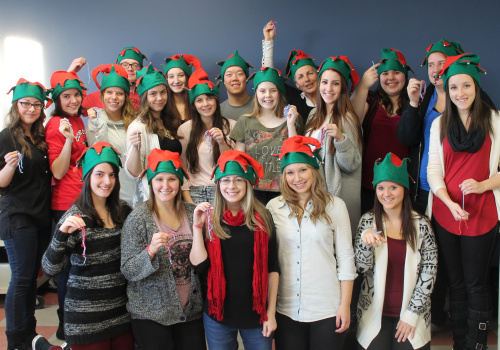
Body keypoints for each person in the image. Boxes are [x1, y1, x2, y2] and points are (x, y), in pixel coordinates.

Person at [427, 53, 500, 350]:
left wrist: (483, 185)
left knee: (476, 282)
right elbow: (434, 172)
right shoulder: (439, 124)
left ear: (476, 86)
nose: (460, 93)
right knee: (455, 283)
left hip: (482, 214)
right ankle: (460, 342)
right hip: (448, 214)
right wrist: (447, 201)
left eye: (466, 86)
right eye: (453, 87)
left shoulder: (494, 121)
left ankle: (477, 344)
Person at [267, 136, 356, 350]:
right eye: (290, 172)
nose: (296, 178)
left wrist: (345, 305)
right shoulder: (272, 207)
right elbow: (269, 261)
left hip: (327, 307)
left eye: (303, 170)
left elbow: (345, 258)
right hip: (286, 307)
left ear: (314, 170)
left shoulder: (336, 206)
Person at [42, 142, 134, 350]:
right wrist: (60, 233)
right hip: (86, 318)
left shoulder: (124, 211)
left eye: (112, 175)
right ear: (87, 177)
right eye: (99, 174)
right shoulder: (74, 217)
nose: (107, 181)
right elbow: (50, 269)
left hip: (122, 313)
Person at [190, 150, 279, 350]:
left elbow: (272, 268)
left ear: (248, 183)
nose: (231, 186)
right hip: (218, 315)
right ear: (218, 184)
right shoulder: (210, 218)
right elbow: (199, 266)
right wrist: (197, 226)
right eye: (226, 180)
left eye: (238, 180)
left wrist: (271, 313)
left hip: (257, 315)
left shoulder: (263, 217)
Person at [121, 149, 206, 350]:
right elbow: (128, 270)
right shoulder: (138, 218)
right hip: (152, 316)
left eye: (172, 179)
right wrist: (149, 251)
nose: (166, 186)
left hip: (190, 312)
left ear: (180, 181)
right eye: (159, 179)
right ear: (151, 182)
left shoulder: (193, 213)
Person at [355, 152, 437, 350]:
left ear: (404, 189)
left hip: (412, 313)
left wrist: (411, 315)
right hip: (374, 312)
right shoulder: (368, 221)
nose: (387, 193)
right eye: (381, 188)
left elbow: (429, 271)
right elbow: (361, 268)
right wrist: (366, 244)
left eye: (393, 187)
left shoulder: (422, 224)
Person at [0, 79, 56, 350]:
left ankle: (29, 333)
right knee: (21, 279)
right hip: (17, 216)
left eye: (36, 104)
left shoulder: (40, 136)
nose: (31, 109)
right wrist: (9, 166)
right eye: (25, 104)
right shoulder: (7, 136)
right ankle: (15, 339)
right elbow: (1, 182)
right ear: (16, 105)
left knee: (31, 277)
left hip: (40, 216)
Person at [45, 70, 88, 340]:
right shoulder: (56, 125)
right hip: (66, 203)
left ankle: (76, 322)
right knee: (69, 269)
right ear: (57, 100)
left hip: (83, 199)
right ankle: (64, 325)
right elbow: (58, 171)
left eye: (76, 95)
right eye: (66, 96)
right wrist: (69, 139)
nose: (72, 100)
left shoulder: (79, 119)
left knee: (80, 265)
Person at [304, 55, 363, 234]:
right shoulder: (313, 115)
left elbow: (351, 165)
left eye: (335, 83)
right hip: (313, 196)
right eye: (324, 82)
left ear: (343, 87)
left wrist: (340, 139)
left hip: (337, 199)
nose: (328, 88)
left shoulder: (347, 119)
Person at [351, 48, 412, 213]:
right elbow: (352, 121)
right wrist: (363, 85)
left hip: (402, 185)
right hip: (370, 184)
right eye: (385, 73)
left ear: (405, 75)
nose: (391, 78)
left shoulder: (414, 103)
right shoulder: (370, 100)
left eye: (396, 72)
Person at [230, 67, 301, 204]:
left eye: (273, 90)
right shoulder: (245, 121)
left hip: (287, 190)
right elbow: (239, 160)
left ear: (279, 93)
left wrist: (291, 124)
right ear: (256, 93)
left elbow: (295, 154)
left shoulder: (292, 119)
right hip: (253, 192)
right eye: (262, 91)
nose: (267, 95)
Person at [125, 63, 182, 206]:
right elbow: (133, 173)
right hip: (151, 198)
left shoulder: (170, 121)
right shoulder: (138, 127)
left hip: (173, 194)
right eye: (153, 93)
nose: (159, 98)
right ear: (144, 96)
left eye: (163, 92)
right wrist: (135, 148)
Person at [178, 68, 235, 204]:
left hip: (224, 191)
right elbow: (182, 167)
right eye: (199, 100)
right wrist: (188, 201)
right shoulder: (185, 129)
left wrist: (221, 142)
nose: (205, 104)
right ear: (194, 105)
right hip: (195, 192)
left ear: (216, 100)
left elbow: (231, 164)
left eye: (209, 98)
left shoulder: (231, 125)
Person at [87, 64, 137, 206]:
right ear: (102, 95)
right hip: (107, 191)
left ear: (126, 97)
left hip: (133, 190)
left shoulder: (135, 123)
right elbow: (96, 153)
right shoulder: (96, 120)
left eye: (119, 93)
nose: (114, 97)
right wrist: (98, 121)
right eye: (109, 92)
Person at [261, 21, 318, 119]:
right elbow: (270, 76)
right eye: (300, 77)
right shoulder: (295, 98)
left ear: (318, 74)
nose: (306, 79)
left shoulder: (329, 95)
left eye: (310, 73)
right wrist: (268, 40)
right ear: (296, 84)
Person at [68, 46, 148, 111]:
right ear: (117, 67)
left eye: (135, 65)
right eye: (125, 64)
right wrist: (70, 72)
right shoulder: (101, 95)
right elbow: (69, 107)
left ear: (141, 69)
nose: (130, 68)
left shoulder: (146, 96)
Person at [162, 54, 202, 125]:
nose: (176, 81)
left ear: (187, 77)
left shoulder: (197, 102)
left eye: (181, 75)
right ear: (167, 80)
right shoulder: (162, 104)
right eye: (171, 77)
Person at [216, 50, 255, 121]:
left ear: (246, 78)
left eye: (239, 74)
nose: (234, 78)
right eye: (229, 75)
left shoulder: (260, 106)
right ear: (223, 81)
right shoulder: (218, 112)